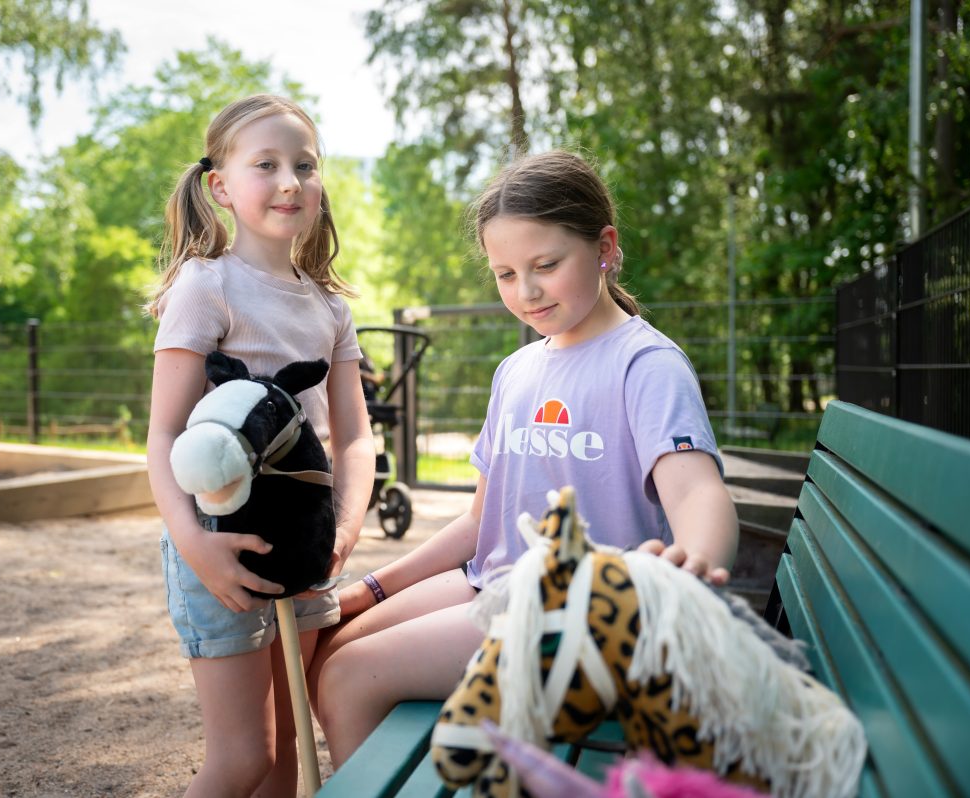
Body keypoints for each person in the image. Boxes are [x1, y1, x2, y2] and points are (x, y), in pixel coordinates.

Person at [308, 149, 739, 767]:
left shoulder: (646, 365)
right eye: (505, 274)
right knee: (329, 648)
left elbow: (697, 491)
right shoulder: (516, 370)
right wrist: (372, 588)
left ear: (605, 247)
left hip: (580, 616)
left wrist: (693, 562)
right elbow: (478, 524)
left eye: (546, 265)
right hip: (496, 585)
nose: (527, 291)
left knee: (349, 677)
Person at [145, 94, 374, 798]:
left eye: (304, 165)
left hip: (306, 543)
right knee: (243, 757)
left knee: (286, 764)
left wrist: (344, 528)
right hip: (220, 539)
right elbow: (163, 435)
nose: (289, 182)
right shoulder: (205, 286)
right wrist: (195, 545)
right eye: (265, 165)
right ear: (219, 186)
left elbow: (357, 435)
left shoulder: (330, 307)